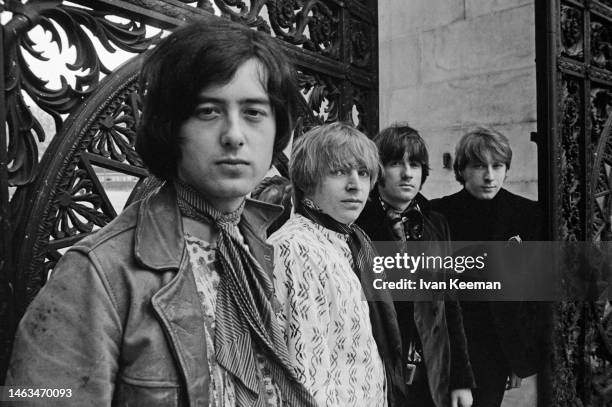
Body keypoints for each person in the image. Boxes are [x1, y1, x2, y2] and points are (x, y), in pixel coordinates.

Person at [6, 19, 317, 406]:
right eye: (208, 111)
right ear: (171, 126)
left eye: (254, 112)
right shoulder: (99, 272)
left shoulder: (256, 245)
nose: (234, 134)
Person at [268, 122, 405, 406]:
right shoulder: (295, 248)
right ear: (307, 180)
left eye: (363, 173)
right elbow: (304, 368)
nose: (356, 185)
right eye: (339, 171)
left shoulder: (352, 241)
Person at [356, 124, 475, 407]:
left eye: (415, 164)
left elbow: (450, 303)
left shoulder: (437, 223)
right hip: (380, 374)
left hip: (431, 375)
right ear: (378, 170)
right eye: (396, 163)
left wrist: (461, 379)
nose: (408, 173)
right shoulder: (359, 224)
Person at [430, 128, 547, 407]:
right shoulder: (438, 214)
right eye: (479, 166)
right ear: (461, 169)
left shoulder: (527, 214)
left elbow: (534, 292)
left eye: (498, 166)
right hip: (448, 345)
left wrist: (519, 357)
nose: (489, 176)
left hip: (497, 348)